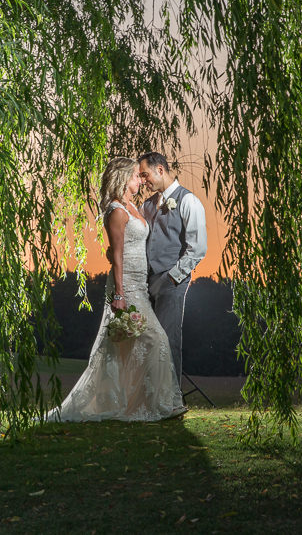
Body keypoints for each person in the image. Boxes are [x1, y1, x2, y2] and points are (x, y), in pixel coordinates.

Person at [44, 157, 187, 422]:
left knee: (127, 347)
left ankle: (142, 403)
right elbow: (118, 254)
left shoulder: (133, 207)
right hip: (125, 284)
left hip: (140, 283)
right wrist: (119, 294)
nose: (140, 181)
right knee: (156, 340)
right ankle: (155, 405)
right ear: (123, 178)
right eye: (136, 176)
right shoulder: (116, 211)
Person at [138, 152, 207, 387]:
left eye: (145, 175)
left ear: (160, 170)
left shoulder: (188, 201)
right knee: (147, 340)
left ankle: (172, 398)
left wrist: (173, 278)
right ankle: (150, 395)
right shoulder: (147, 205)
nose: (143, 181)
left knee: (167, 339)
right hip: (146, 281)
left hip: (171, 280)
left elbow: (197, 248)